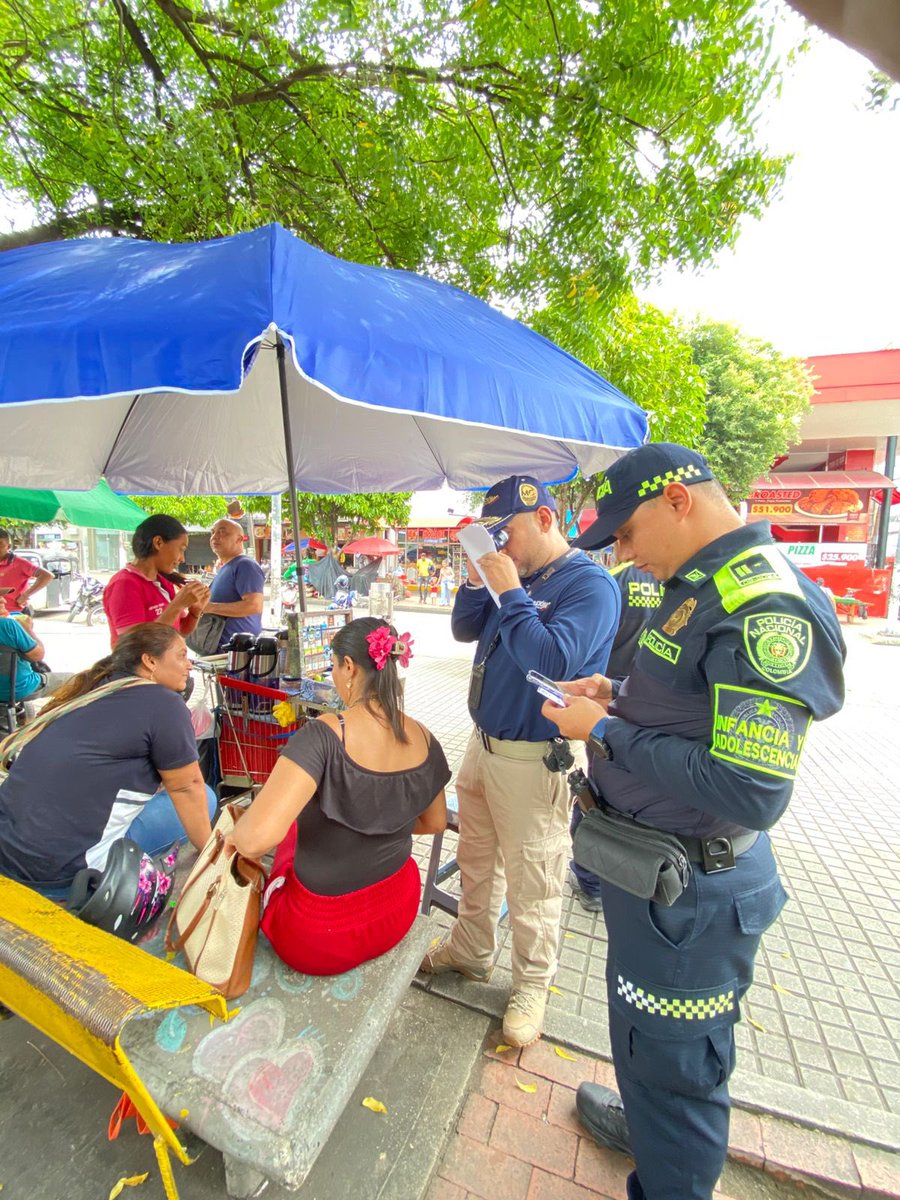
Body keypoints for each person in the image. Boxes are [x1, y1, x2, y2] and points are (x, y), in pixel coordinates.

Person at [543, 443, 845, 1200]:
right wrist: (613, 692)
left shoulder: (765, 607)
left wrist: (604, 732)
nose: (623, 553)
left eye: (626, 533)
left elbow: (751, 788)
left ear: (677, 498)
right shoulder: (695, 586)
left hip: (693, 896)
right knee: (646, 1031)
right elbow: (688, 703)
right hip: (650, 878)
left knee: (679, 1062)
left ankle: (669, 1165)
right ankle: (645, 1118)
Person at [419, 475, 620, 1047]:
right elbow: (462, 630)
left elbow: (553, 658)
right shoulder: (515, 574)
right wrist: (481, 580)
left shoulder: (590, 586)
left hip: (536, 757)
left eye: (504, 534)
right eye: (490, 539)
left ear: (545, 520)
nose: (499, 548)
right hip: (483, 745)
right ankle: (471, 948)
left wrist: (509, 592)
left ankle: (532, 982)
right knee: (477, 858)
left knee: (534, 878)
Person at [227, 617, 450, 976]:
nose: (333, 673)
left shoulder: (323, 737)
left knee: (289, 837)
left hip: (317, 936)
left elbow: (255, 839)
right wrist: (382, 822)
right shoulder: (425, 737)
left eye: (333, 665)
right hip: (398, 908)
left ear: (348, 666)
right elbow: (435, 821)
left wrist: (229, 837)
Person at [0, 623, 217, 897]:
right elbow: (187, 787)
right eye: (181, 655)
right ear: (149, 661)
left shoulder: (89, 689)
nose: (189, 664)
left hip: (8, 853)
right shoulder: (163, 702)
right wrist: (213, 855)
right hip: (64, 874)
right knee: (205, 798)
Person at [568, 560, 663, 913]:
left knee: (596, 787)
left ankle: (590, 879)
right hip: (636, 696)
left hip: (611, 698)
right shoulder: (672, 581)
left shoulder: (616, 577)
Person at [103, 515, 210, 647]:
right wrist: (177, 605)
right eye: (181, 549)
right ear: (158, 542)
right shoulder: (124, 585)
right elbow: (133, 646)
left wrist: (195, 610)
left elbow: (180, 630)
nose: (182, 559)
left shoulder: (163, 582)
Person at [204, 518, 265, 649]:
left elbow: (253, 606)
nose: (215, 537)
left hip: (237, 651)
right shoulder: (226, 567)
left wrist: (209, 607)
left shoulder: (245, 565)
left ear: (239, 539)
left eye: (222, 532)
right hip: (222, 649)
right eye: (213, 532)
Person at [0, 529, 53, 614]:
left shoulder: (19, 563)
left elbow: (47, 576)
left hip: (16, 613)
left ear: (9, 546)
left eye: (0, 544)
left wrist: (25, 595)